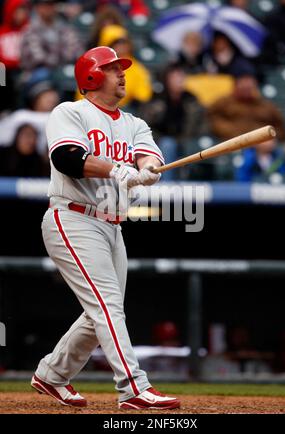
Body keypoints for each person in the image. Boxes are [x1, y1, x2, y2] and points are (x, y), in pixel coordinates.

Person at [30, 46, 180, 410]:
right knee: (108, 307)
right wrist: (116, 168)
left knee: (99, 311)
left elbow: (149, 155)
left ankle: (51, 374)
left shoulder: (134, 123)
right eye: (113, 69)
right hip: (73, 216)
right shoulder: (70, 112)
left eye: (121, 68)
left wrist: (145, 169)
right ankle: (132, 387)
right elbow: (66, 158)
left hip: (113, 225)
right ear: (93, 76)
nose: (122, 73)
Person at [208, 74, 285, 141]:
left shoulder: (266, 105)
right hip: (232, 143)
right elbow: (212, 118)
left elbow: (279, 127)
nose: (247, 91)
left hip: (260, 144)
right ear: (235, 87)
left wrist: (269, 137)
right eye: (243, 88)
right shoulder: (224, 102)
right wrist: (231, 132)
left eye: (249, 88)